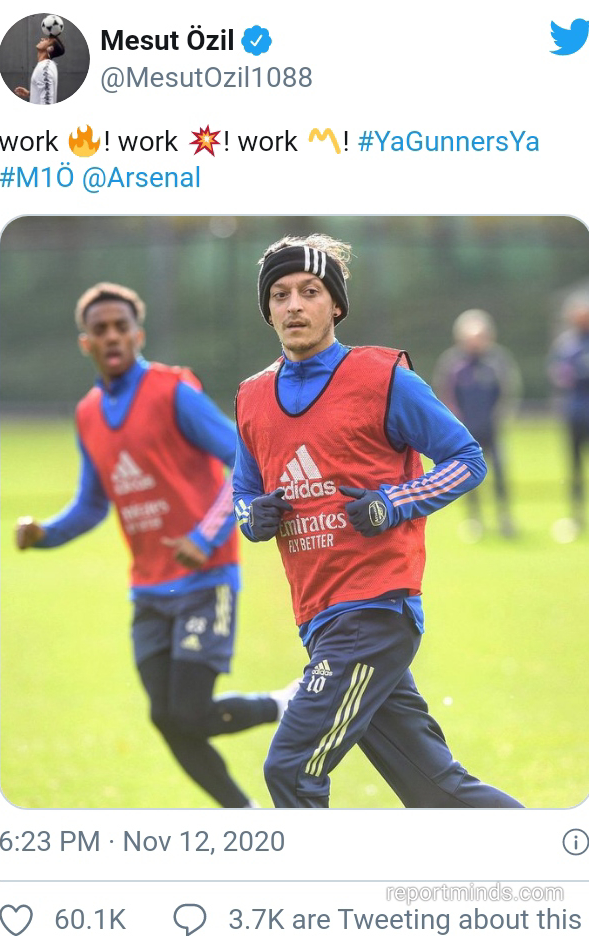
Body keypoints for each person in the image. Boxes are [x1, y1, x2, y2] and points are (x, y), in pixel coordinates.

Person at [233, 235, 523, 809]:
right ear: (267, 309)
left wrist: (392, 503)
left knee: (291, 767)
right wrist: (252, 516)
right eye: (280, 294)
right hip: (319, 618)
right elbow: (243, 492)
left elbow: (467, 460)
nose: (294, 305)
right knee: (438, 792)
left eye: (310, 292)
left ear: (335, 305)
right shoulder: (252, 397)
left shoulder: (382, 378)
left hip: (375, 611)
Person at [16, 282, 292, 808]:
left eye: (121, 327)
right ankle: (246, 816)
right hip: (149, 591)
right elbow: (92, 503)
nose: (112, 336)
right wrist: (44, 535)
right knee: (166, 717)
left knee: (186, 712)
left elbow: (244, 462)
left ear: (137, 335)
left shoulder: (173, 392)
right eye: (100, 330)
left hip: (206, 579)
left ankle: (286, 705)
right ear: (86, 343)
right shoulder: (88, 414)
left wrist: (205, 535)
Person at [432, 309, 522, 539]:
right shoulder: (453, 363)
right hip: (466, 433)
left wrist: (498, 418)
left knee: (499, 474)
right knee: (467, 476)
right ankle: (474, 520)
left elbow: (507, 392)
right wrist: (455, 424)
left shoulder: (497, 361)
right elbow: (445, 395)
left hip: (492, 430)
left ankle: (504, 518)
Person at [548, 298, 589, 536]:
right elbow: (559, 376)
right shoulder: (566, 345)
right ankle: (576, 515)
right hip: (574, 416)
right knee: (575, 468)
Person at [14, 34, 64, 104]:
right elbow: (45, 92)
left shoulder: (44, 69)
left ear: (50, 48)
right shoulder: (47, 65)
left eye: (47, 40)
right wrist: (30, 94)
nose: (42, 39)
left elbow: (47, 103)